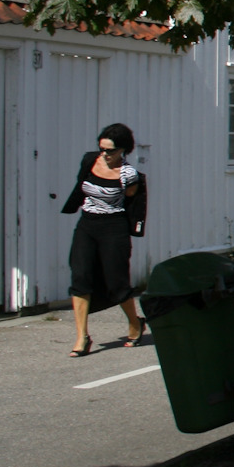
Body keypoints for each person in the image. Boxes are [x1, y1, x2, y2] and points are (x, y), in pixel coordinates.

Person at [63, 123, 148, 357]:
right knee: (80, 277)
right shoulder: (90, 161)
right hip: (87, 224)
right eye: (102, 149)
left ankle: (135, 323)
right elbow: (81, 186)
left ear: (123, 150)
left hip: (113, 227)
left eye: (110, 151)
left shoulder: (128, 175)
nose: (105, 154)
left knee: (116, 281)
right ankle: (82, 337)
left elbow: (130, 200)